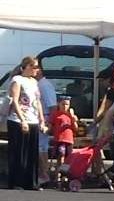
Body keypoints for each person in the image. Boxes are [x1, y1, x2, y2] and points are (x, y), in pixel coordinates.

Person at [6, 56, 46, 190]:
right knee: (19, 152)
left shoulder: (34, 82)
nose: (37, 70)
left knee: (31, 152)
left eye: (37, 67)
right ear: (27, 67)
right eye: (34, 67)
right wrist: (23, 120)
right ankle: (17, 181)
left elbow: (37, 101)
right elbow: (15, 101)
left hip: (33, 119)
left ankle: (31, 182)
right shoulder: (17, 80)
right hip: (18, 120)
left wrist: (41, 119)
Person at [48, 96, 79, 186]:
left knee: (68, 159)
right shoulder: (55, 114)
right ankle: (58, 175)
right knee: (60, 156)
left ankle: (65, 176)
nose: (65, 106)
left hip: (69, 140)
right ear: (59, 104)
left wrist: (73, 118)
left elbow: (76, 129)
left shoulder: (70, 115)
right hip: (60, 139)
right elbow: (50, 126)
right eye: (63, 104)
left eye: (67, 104)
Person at [36, 66, 57, 185]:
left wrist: (49, 123)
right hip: (41, 117)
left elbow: (52, 106)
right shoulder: (40, 84)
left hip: (44, 117)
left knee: (41, 147)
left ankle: (44, 174)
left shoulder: (44, 85)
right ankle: (42, 173)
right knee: (40, 147)